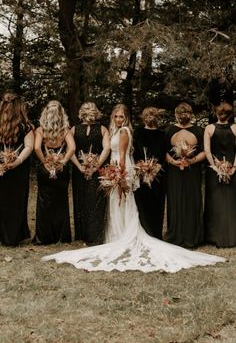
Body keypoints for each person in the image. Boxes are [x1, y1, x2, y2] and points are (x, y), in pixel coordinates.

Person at [43, 103, 225, 272]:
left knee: (121, 201)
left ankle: (122, 235)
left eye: (121, 117)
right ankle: (116, 234)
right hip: (115, 166)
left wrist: (119, 175)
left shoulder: (123, 132)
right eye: (116, 116)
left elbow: (121, 156)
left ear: (126, 118)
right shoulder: (116, 130)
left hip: (120, 167)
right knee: (115, 203)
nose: (118, 119)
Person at [34, 100, 75, 244]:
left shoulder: (40, 130)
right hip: (60, 168)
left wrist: (44, 162)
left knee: (44, 201)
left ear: (46, 113)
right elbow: (72, 148)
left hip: (45, 169)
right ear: (61, 114)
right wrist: (63, 162)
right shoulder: (65, 130)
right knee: (61, 201)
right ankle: (61, 237)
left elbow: (37, 148)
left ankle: (43, 237)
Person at [165, 103, 205, 248]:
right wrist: (173, 162)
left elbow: (205, 151)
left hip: (192, 171)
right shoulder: (169, 130)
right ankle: (175, 234)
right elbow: (163, 151)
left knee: (192, 199)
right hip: (174, 171)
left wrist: (192, 160)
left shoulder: (199, 131)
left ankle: (192, 236)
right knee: (175, 199)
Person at [71, 102, 110, 245]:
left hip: (97, 169)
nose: (90, 115)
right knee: (80, 197)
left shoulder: (103, 129)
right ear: (82, 113)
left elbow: (106, 149)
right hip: (78, 170)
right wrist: (79, 166)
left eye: (92, 112)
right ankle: (81, 233)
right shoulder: (74, 129)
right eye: (87, 112)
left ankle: (94, 234)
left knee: (95, 200)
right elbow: (71, 150)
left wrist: (96, 166)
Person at [0, 92, 34, 246]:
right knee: (16, 201)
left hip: (4, 167)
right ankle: (13, 236)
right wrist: (17, 161)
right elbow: (29, 147)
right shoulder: (26, 126)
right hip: (18, 169)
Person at [204, 102, 236, 247]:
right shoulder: (235, 128)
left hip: (215, 170)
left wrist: (215, 166)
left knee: (216, 202)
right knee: (229, 202)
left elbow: (207, 151)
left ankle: (214, 236)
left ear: (217, 113)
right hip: (230, 170)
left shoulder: (209, 128)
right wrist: (234, 167)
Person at [133, 107, 166, 239]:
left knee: (156, 203)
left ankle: (155, 233)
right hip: (141, 173)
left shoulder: (162, 134)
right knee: (145, 203)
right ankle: (147, 232)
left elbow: (163, 154)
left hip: (157, 175)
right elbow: (134, 152)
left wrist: (154, 169)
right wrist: (141, 167)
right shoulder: (138, 132)